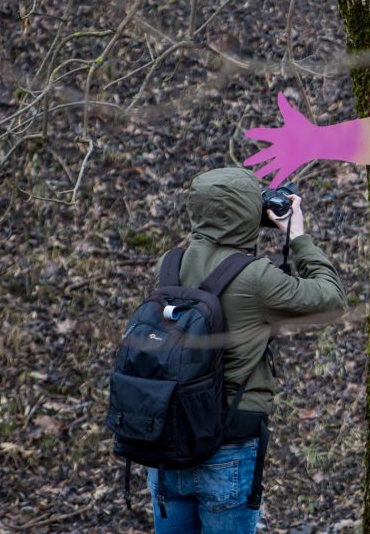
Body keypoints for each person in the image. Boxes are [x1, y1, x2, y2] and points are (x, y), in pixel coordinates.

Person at [146, 167, 347, 533]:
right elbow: (332, 300)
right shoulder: (256, 277)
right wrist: (297, 238)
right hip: (228, 446)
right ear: (246, 212)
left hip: (164, 444)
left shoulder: (168, 265)